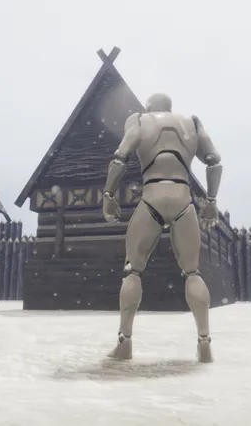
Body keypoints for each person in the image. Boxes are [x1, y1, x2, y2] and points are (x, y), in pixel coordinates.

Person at [100, 93, 222, 363]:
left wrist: (108, 195)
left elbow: (120, 156)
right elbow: (213, 160)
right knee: (192, 273)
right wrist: (211, 201)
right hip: (183, 198)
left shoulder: (139, 120)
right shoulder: (192, 123)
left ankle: (124, 343)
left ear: (149, 107)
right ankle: (204, 343)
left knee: (133, 270)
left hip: (152, 196)